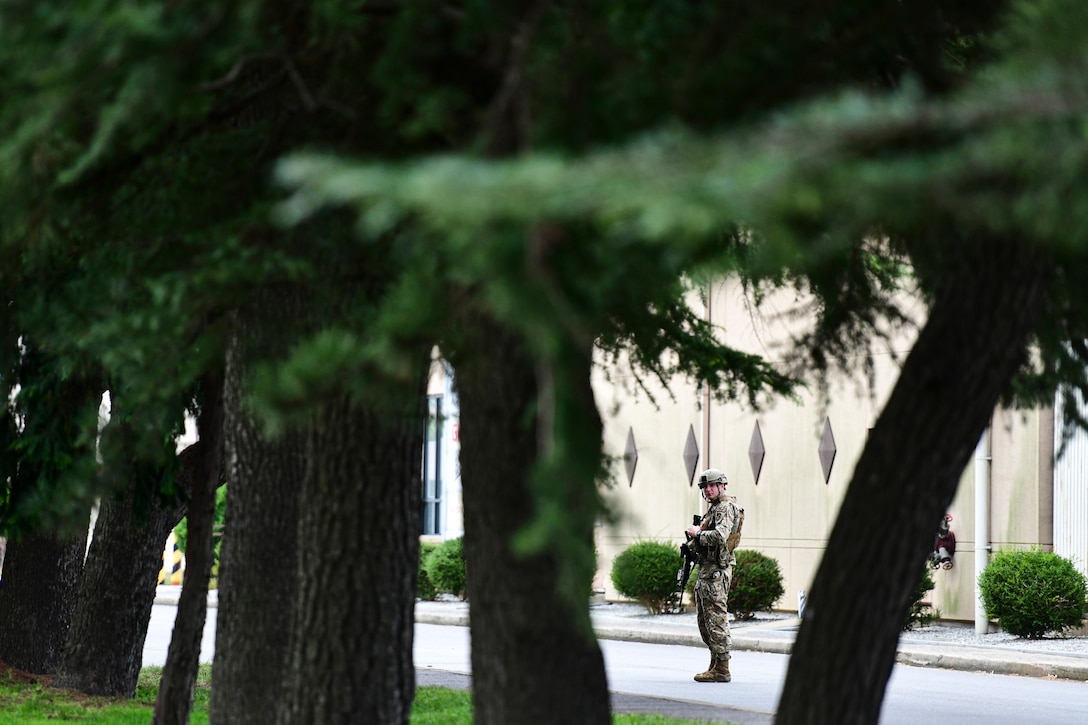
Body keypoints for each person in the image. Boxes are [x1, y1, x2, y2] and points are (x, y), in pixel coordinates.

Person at [685, 468, 742, 683]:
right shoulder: (715, 508)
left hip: (716, 572)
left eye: (712, 485)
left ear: (722, 486)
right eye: (705, 487)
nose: (708, 490)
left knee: (716, 619)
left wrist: (697, 533)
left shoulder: (725, 507)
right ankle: (715, 664)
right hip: (708, 570)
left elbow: (720, 536)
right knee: (705, 621)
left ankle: (722, 669)